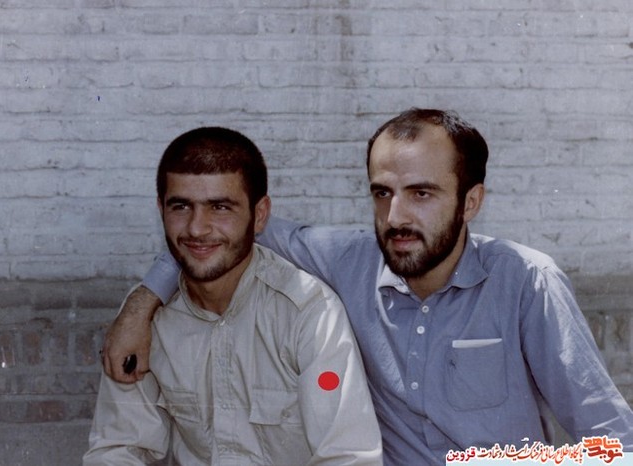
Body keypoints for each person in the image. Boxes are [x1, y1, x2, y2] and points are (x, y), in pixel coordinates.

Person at [102, 109, 633, 465]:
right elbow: (214, 232)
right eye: (382, 193)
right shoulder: (349, 261)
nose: (396, 216)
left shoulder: (527, 282)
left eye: (422, 193)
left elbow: (612, 440)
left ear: (470, 202)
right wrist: (142, 304)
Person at [84, 127, 382, 465]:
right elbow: (118, 449)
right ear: (160, 209)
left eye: (220, 207)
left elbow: (347, 457)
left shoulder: (309, 312)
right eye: (181, 206)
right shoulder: (144, 321)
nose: (197, 228)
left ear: (260, 215)